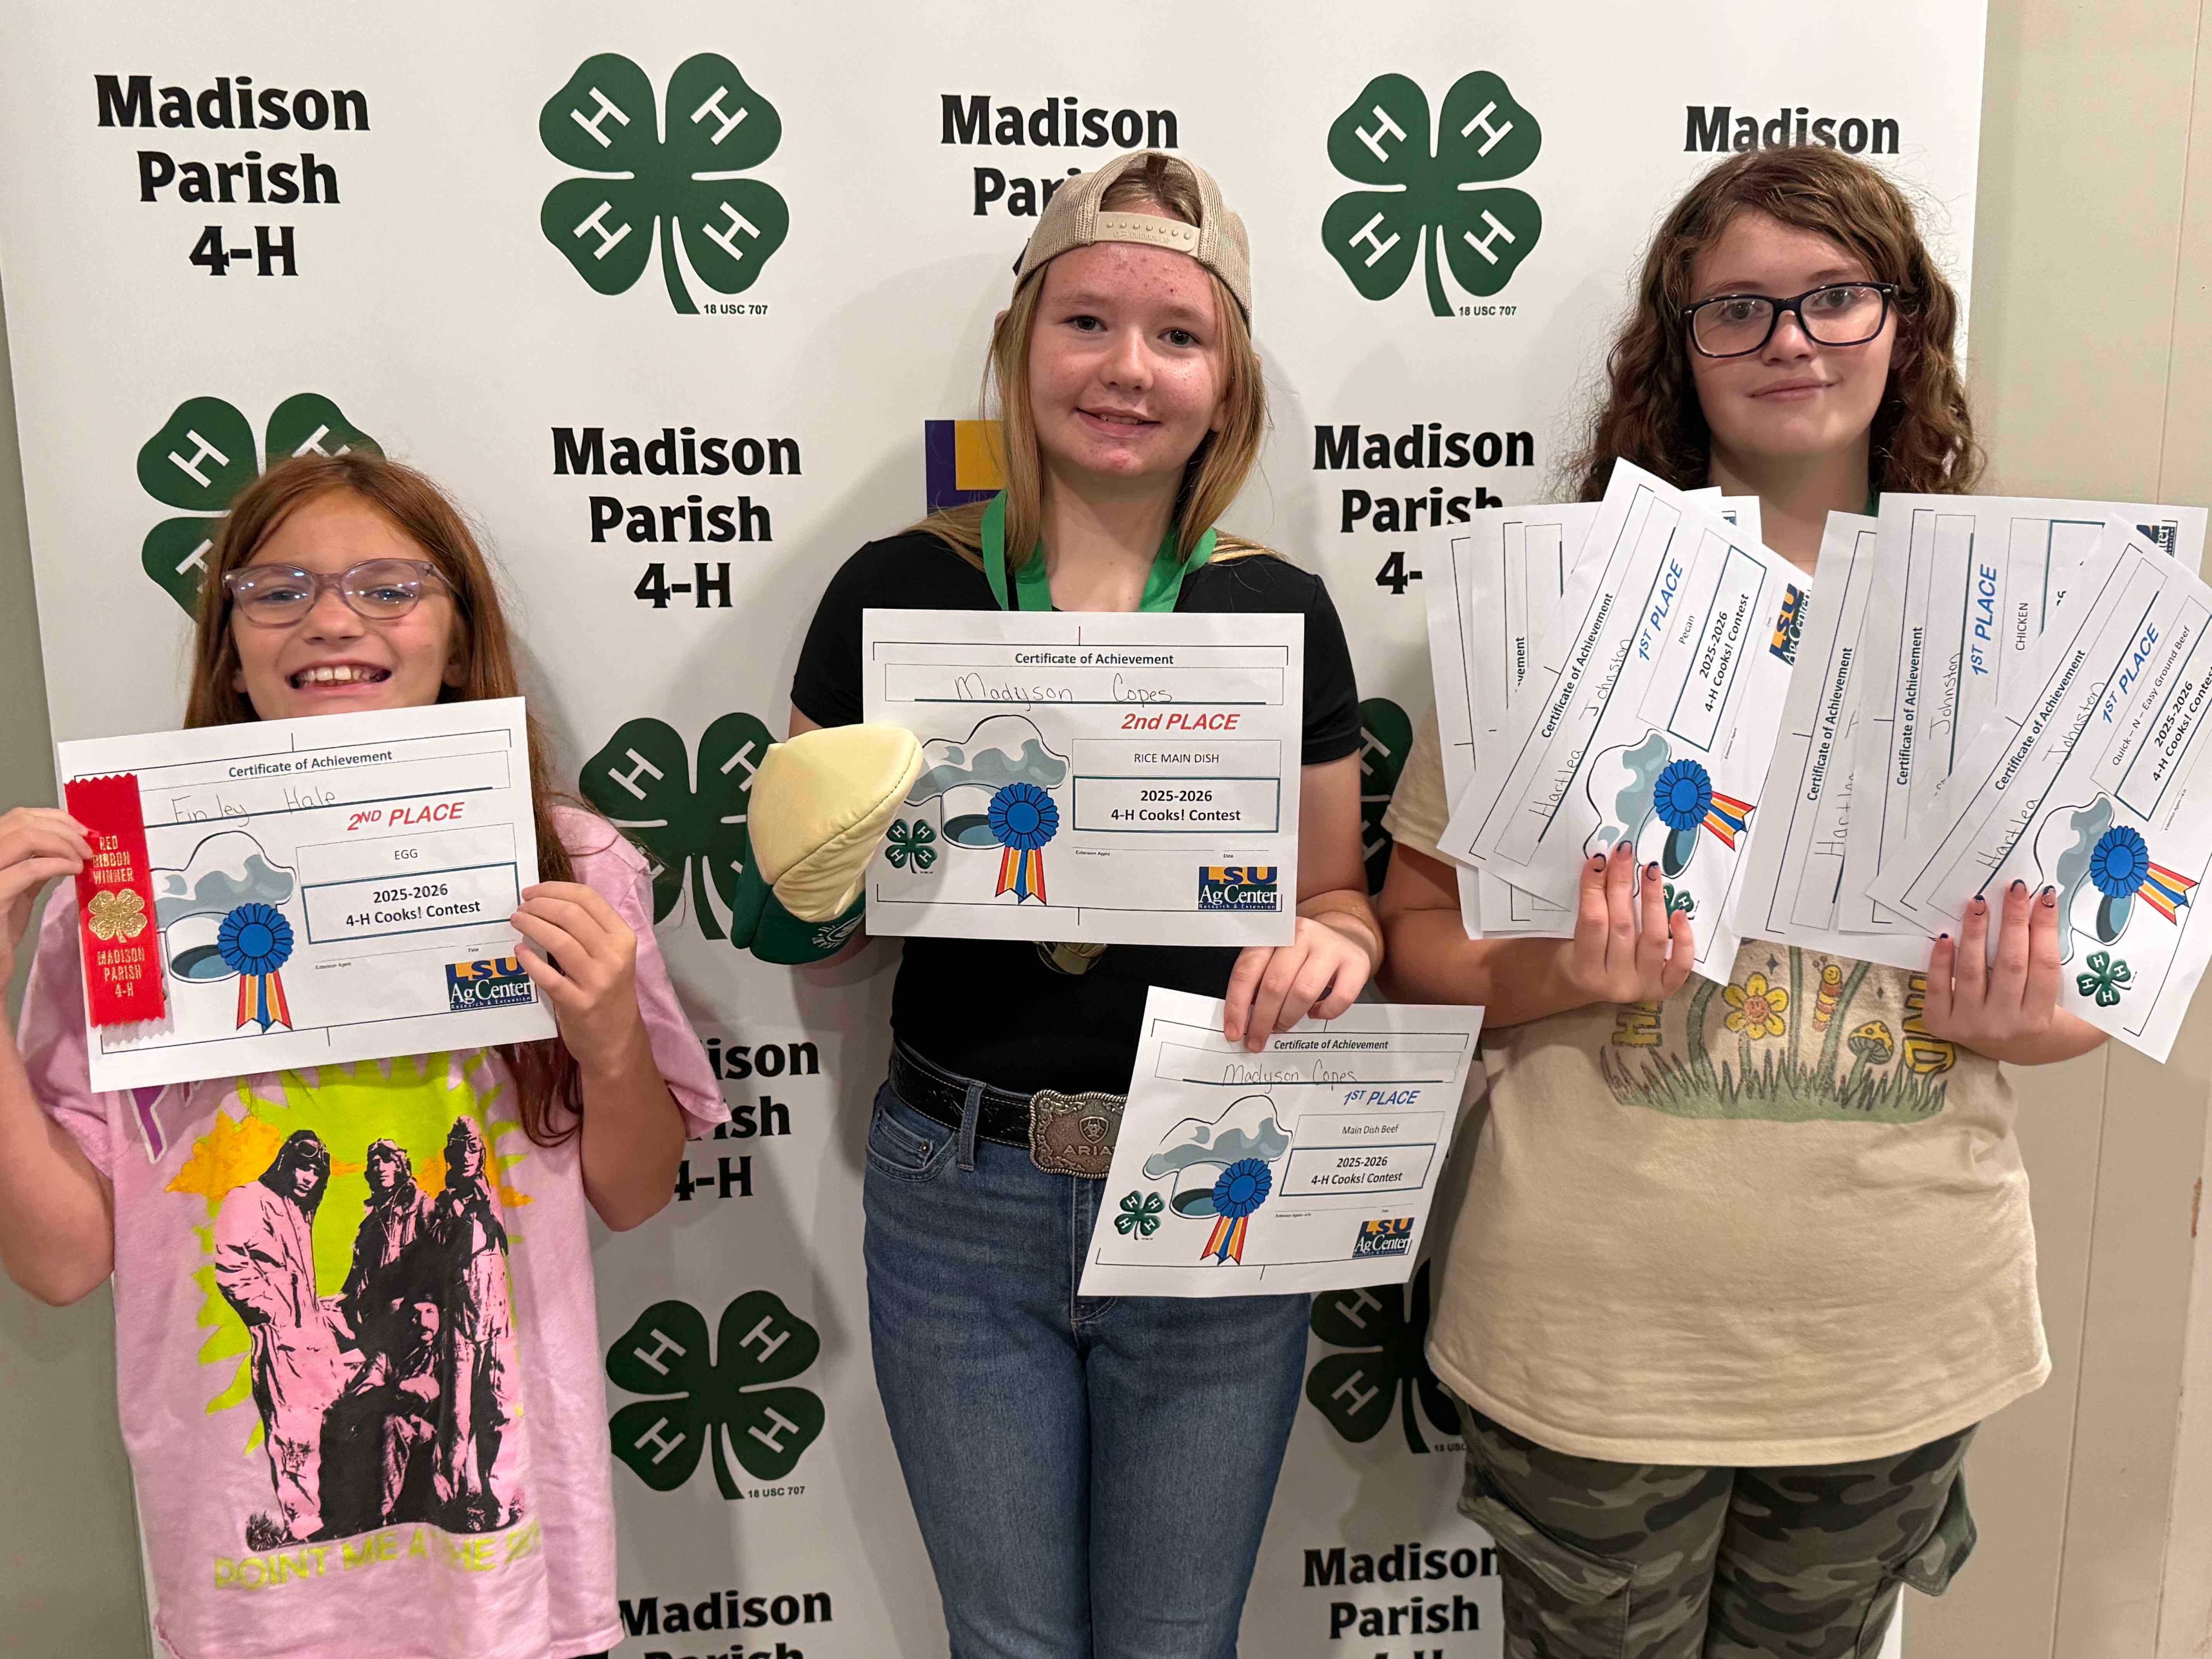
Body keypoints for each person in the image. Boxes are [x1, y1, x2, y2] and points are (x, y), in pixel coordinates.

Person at [1376, 146, 2104, 1657]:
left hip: (1893, 1335)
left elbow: (2091, 993)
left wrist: (2025, 1014)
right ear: (1679, 342)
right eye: (1740, 308)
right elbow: (1416, 945)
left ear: (1905, 324)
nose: (1791, 340)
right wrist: (1563, 972)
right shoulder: (1554, 610)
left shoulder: (2025, 619)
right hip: (1595, 1339)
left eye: (1836, 297)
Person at [783, 150, 1379, 1657]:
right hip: (961, 1190)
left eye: (1179, 336)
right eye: (1087, 323)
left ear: (1227, 385)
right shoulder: (891, 591)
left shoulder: (1277, 611)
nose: (1128, 368)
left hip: (1216, 1174)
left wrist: (1333, 942)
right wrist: (800, 875)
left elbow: (1340, 898)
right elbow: (814, 930)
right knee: (1009, 1645)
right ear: (1019, 345)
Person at [0, 451, 724, 1659]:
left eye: (390, 587)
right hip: (251, 1588)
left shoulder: (573, 869)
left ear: (461, 634)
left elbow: (635, 1188)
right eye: (276, 590)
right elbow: (64, 1259)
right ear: (230, 650)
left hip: (508, 1578)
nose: (332, 620)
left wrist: (609, 1045)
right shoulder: (123, 889)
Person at [213, 1129, 348, 1546]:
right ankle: (305, 1529)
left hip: (312, 1340)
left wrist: (318, 1314)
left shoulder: (299, 1211)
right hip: (278, 1342)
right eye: (303, 1168)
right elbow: (231, 1268)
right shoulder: (247, 1199)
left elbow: (297, 1280)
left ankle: (333, 1521)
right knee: (293, 1438)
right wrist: (276, 1314)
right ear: (286, 1163)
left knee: (331, 1425)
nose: (309, 1178)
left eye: (317, 1172)